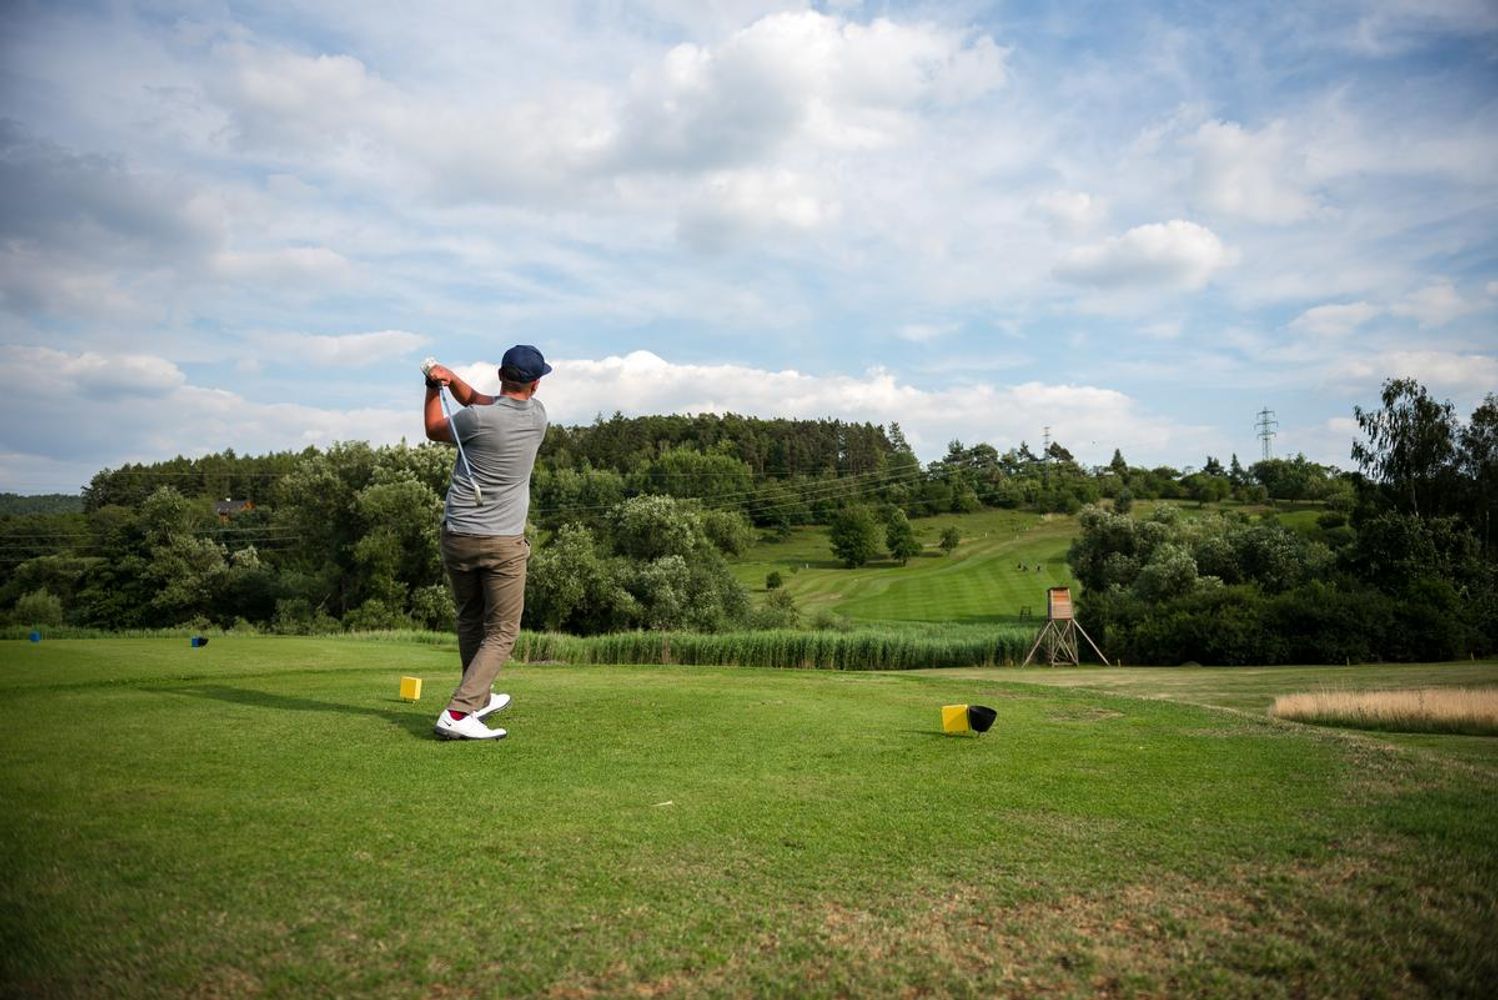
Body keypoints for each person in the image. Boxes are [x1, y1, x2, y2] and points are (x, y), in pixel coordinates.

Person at [422, 345, 551, 741]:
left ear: (500, 375)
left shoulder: (476, 419)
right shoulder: (538, 416)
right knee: (502, 631)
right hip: (502, 543)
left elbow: (435, 427)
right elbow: (480, 400)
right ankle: (458, 713)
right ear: (536, 384)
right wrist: (449, 380)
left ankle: (476, 698)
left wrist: (434, 386)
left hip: (458, 536)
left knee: (470, 619)